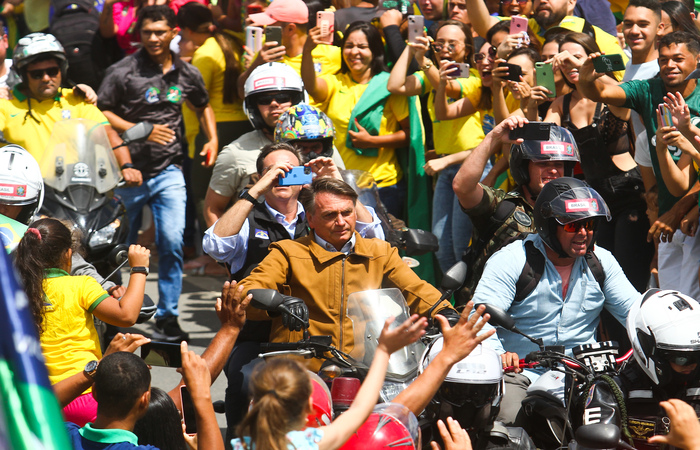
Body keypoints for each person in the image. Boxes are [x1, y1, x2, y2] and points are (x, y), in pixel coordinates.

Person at [473, 177, 639, 426]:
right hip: (521, 374)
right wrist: (498, 354)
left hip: (586, 377)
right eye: (573, 226)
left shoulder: (602, 262)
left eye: (589, 224)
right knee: (505, 425)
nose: (584, 233)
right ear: (549, 226)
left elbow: (638, 313)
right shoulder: (511, 260)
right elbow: (478, 318)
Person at [239, 177, 458, 365]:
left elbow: (415, 289)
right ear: (311, 219)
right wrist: (277, 302)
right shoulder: (288, 252)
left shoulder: (380, 252)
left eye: (347, 212)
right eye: (329, 215)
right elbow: (247, 291)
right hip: (302, 367)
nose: (341, 222)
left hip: (368, 364)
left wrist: (446, 312)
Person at [98, 5, 218, 342]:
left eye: (160, 32)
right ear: (139, 34)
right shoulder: (123, 71)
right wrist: (140, 129)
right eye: (147, 32)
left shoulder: (186, 72)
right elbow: (101, 110)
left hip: (170, 171)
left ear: (173, 33)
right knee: (117, 248)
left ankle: (168, 316)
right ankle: (114, 310)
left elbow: (202, 102)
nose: (153, 38)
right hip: (129, 173)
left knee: (172, 242)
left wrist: (213, 138)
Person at [577, 30, 700, 301]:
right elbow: (598, 92)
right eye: (664, 59)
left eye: (678, 58)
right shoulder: (647, 89)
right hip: (668, 223)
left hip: (692, 221)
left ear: (697, 59)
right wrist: (587, 76)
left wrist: (687, 209)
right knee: (670, 307)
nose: (670, 65)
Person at [15, 218, 151, 426]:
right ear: (68, 255)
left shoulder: (14, 291)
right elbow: (126, 316)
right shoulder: (81, 285)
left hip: (36, 398)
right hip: (85, 396)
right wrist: (139, 269)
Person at [545, 32, 653, 294]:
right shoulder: (562, 103)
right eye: (565, 61)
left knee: (628, 273)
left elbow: (618, 65)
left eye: (578, 59)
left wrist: (581, 64)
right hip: (595, 201)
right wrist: (533, 99)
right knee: (597, 275)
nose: (572, 66)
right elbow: (543, 139)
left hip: (630, 193)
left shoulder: (612, 95)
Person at [232, 314, 427, 450]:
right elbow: (360, 410)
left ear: (255, 402)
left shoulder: (244, 445)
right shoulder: (309, 444)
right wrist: (384, 350)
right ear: (309, 404)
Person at [388, 20, 486, 273]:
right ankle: (453, 308)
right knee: (442, 248)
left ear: (467, 49)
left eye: (452, 43)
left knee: (461, 247)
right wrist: (411, 49)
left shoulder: (473, 76)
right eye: (440, 43)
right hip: (444, 170)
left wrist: (426, 62)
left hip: (470, 167)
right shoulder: (429, 73)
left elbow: (452, 90)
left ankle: (469, 305)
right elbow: (395, 85)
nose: (445, 48)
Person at [451, 117, 580, 301]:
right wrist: (492, 138)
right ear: (524, 168)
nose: (553, 171)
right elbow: (462, 187)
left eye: (559, 165)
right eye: (543, 163)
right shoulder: (501, 206)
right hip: (487, 317)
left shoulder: (576, 216)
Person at [204, 64, 345, 227]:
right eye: (264, 100)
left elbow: (345, 194)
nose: (274, 104)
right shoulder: (235, 152)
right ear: (253, 106)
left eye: (283, 97)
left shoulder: (322, 148)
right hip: (257, 242)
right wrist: (224, 249)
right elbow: (213, 208)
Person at [302, 21, 411, 218]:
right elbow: (311, 86)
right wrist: (308, 50)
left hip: (382, 185)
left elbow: (409, 134)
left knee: (380, 245)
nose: (354, 52)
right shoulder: (336, 81)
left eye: (362, 46)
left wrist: (372, 141)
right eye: (349, 46)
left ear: (375, 51)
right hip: (341, 183)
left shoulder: (388, 85)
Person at [391, 303, 533, 450]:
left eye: (479, 394)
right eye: (455, 393)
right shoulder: (408, 442)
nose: (467, 406)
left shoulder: (512, 444)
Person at [579, 289, 700, 449]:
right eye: (682, 357)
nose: (693, 364)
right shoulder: (610, 390)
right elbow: (595, 444)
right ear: (651, 350)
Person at [0, 33, 132, 179]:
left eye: (52, 72)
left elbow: (107, 134)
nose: (46, 78)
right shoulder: (5, 104)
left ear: (62, 71)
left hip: (75, 190)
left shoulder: (76, 99)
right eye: (37, 74)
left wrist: (127, 166)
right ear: (24, 75)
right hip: (24, 192)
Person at [177, 1, 252, 238]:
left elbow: (197, 101)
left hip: (214, 132)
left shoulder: (204, 55)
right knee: (232, 194)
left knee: (205, 195)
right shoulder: (230, 40)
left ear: (187, 30)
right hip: (242, 126)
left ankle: (212, 255)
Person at [236, 0, 341, 98]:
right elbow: (242, 92)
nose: (265, 27)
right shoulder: (265, 49)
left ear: (290, 29)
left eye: (271, 25)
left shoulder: (332, 55)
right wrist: (256, 64)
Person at [66, 352, 157, 450]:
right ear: (144, 400)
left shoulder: (59, 435)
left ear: (94, 391)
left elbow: (48, 406)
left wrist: (90, 372)